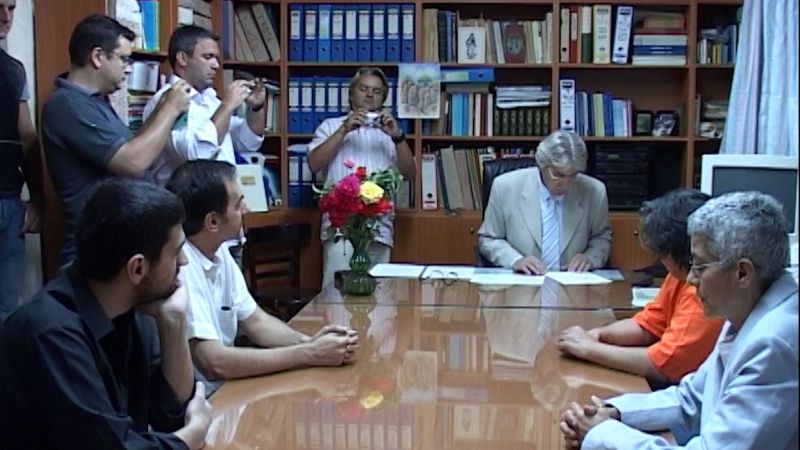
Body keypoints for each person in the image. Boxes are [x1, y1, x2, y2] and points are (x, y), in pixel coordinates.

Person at [560, 191, 798, 450]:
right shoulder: (747, 307)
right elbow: (692, 399)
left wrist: (601, 434)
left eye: (700, 266)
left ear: (742, 273)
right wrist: (613, 412)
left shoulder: (774, 343)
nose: (691, 279)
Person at [0, 178, 212, 449]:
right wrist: (193, 435)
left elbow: (170, 417)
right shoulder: (50, 332)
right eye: (177, 251)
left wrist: (174, 322)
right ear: (137, 268)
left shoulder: (132, 309)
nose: (184, 261)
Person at [165, 160, 359, 395]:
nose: (246, 209)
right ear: (213, 221)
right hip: (203, 400)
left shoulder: (219, 251)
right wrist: (310, 353)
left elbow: (256, 321)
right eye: (238, 204)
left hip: (226, 391)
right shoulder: (183, 266)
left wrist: (311, 342)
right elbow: (214, 362)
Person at [41, 14, 191, 264]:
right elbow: (133, 163)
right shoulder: (68, 105)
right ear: (98, 57)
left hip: (116, 242)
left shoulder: (94, 101)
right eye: (123, 59)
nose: (128, 67)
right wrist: (170, 109)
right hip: (94, 250)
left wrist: (161, 110)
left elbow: (131, 148)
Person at [557, 189, 724, 388]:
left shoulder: (706, 288)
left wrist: (590, 349)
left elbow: (665, 365)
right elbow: (648, 325)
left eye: (662, 256)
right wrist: (599, 335)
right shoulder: (679, 274)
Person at [307, 67, 415, 288]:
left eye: (376, 91)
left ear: (383, 98)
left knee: (378, 298)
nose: (369, 95)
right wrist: (343, 130)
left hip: (379, 230)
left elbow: (409, 173)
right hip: (340, 230)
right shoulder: (330, 126)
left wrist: (398, 136)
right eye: (363, 89)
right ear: (351, 93)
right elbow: (314, 164)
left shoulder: (390, 134)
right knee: (336, 296)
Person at [142, 25, 266, 186]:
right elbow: (198, 154)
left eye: (217, 58)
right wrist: (228, 106)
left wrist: (256, 108)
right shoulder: (166, 101)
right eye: (208, 57)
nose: (216, 65)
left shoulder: (210, 99)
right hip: (182, 199)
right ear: (182, 59)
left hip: (219, 196)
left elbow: (247, 143)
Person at [478, 130, 612, 274]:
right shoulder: (505, 187)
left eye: (573, 175)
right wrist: (516, 260)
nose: (566, 184)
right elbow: (488, 239)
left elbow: (602, 237)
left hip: (572, 280)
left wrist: (590, 257)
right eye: (559, 175)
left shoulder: (594, 191)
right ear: (542, 165)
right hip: (523, 280)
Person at [0, 0, 44, 319]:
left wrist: (38, 199)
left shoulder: (13, 70)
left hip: (9, 203)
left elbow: (27, 136)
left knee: (7, 311)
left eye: (12, 8)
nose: (6, 17)